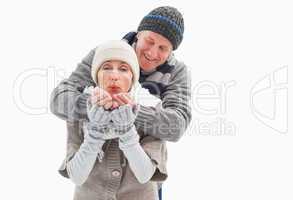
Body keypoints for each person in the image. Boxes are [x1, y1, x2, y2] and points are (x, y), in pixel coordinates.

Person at [50, 6, 191, 142]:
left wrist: (131, 111)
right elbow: (59, 99)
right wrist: (94, 105)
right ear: (138, 35)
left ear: (171, 51)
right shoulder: (106, 53)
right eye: (149, 41)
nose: (152, 53)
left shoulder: (177, 72)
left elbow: (177, 126)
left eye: (163, 48)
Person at [58, 40, 167, 200]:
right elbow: (77, 176)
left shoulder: (152, 114)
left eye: (123, 69)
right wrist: (95, 132)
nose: (114, 76)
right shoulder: (80, 113)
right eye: (106, 67)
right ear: (96, 76)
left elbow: (145, 175)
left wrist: (127, 130)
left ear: (132, 78)